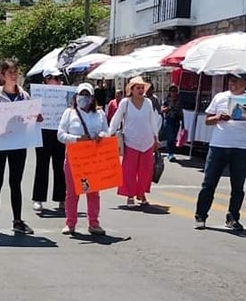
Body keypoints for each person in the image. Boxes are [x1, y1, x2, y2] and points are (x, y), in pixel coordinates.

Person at [0, 59, 39, 236]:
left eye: (16, 72)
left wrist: (36, 119)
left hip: (18, 144)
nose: (14, 75)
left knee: (15, 182)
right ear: (2, 75)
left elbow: (29, 119)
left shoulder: (24, 96)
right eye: (10, 72)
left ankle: (17, 221)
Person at [193, 73, 246, 232]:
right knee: (209, 183)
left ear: (245, 83)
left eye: (236, 81)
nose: (232, 83)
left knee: (238, 186)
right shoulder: (220, 97)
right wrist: (218, 117)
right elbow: (207, 120)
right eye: (230, 81)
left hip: (241, 148)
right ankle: (201, 215)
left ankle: (233, 217)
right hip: (219, 146)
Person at [57, 83, 108, 236]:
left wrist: (101, 136)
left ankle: (94, 222)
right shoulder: (69, 113)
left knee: (92, 192)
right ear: (76, 96)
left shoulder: (99, 114)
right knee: (72, 192)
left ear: (92, 98)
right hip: (74, 157)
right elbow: (61, 135)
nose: (84, 98)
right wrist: (77, 139)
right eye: (81, 94)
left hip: (92, 158)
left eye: (87, 95)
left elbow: (106, 130)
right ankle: (70, 223)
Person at [108, 76, 161, 206]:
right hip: (130, 141)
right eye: (138, 88)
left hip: (147, 141)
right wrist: (110, 133)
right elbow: (117, 118)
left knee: (146, 170)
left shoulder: (148, 102)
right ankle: (130, 195)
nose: (141, 90)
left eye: (142, 88)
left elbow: (153, 120)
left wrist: (156, 137)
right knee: (128, 170)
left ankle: (141, 194)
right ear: (131, 89)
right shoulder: (125, 102)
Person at [32, 67, 67, 212]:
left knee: (60, 166)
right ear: (46, 80)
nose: (57, 81)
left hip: (60, 132)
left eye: (59, 78)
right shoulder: (38, 94)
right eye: (54, 78)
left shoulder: (66, 93)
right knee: (42, 165)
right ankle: (38, 198)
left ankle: (61, 198)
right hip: (43, 132)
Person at [160, 85, 183, 162]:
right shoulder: (167, 100)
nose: (173, 92)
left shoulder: (180, 100)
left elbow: (182, 111)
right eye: (172, 91)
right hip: (169, 120)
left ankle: (171, 152)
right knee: (170, 138)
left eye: (175, 91)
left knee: (173, 138)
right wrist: (169, 107)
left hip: (177, 120)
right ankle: (170, 153)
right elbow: (162, 110)